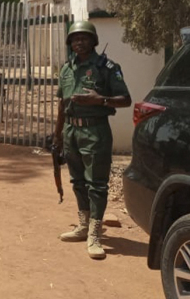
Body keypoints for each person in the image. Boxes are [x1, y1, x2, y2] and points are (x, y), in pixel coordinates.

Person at [53, 21, 131, 260]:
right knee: (77, 180)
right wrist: (57, 136)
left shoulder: (107, 67)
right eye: (75, 38)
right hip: (71, 132)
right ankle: (83, 224)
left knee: (96, 183)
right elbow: (62, 105)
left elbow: (125, 99)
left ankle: (95, 233)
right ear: (70, 43)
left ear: (93, 40)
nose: (79, 42)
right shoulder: (66, 69)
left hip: (95, 132)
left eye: (84, 37)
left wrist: (101, 100)